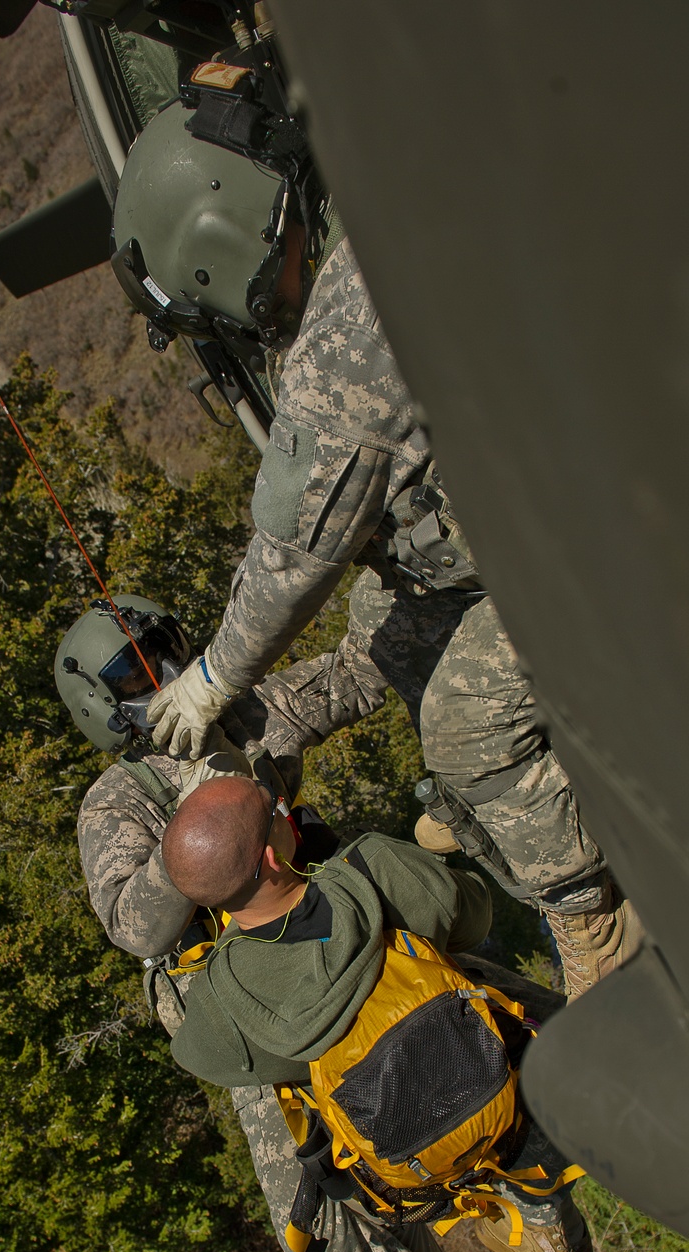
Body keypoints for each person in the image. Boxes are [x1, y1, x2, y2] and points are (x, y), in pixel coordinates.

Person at [105, 85, 642, 995]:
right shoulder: (389, 183)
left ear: (219, 252)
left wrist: (214, 677)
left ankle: (594, 914)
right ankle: (478, 811)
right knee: (383, 615)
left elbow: (292, 549)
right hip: (578, 467)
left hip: (592, 531)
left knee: (468, 728)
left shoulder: (345, 333)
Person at [56, 596, 598, 1252]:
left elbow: (351, 675)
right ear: (101, 703)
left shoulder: (235, 716)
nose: (160, 675)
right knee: (313, 1228)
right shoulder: (117, 801)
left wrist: (384, 583)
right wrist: (198, 827)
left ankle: (537, 1213)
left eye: (163, 650)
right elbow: (133, 923)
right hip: (255, 1014)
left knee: (522, 1034)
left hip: (343, 931)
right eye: (135, 672)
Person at [160, 776, 603, 1252]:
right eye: (279, 812)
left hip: (402, 1177)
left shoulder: (223, 1003)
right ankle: (539, 1220)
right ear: (277, 856)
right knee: (546, 1032)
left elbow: (207, 1057)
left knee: (314, 1225)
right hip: (490, 1091)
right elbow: (473, 914)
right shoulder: (371, 868)